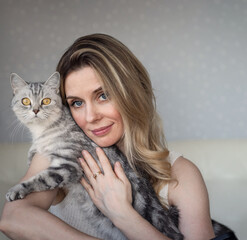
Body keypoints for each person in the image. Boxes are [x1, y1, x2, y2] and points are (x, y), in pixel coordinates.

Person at [0, 33, 215, 240]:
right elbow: (13, 220)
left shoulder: (181, 173)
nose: (90, 117)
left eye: (103, 96)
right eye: (77, 103)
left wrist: (122, 213)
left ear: (133, 93)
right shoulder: (60, 150)